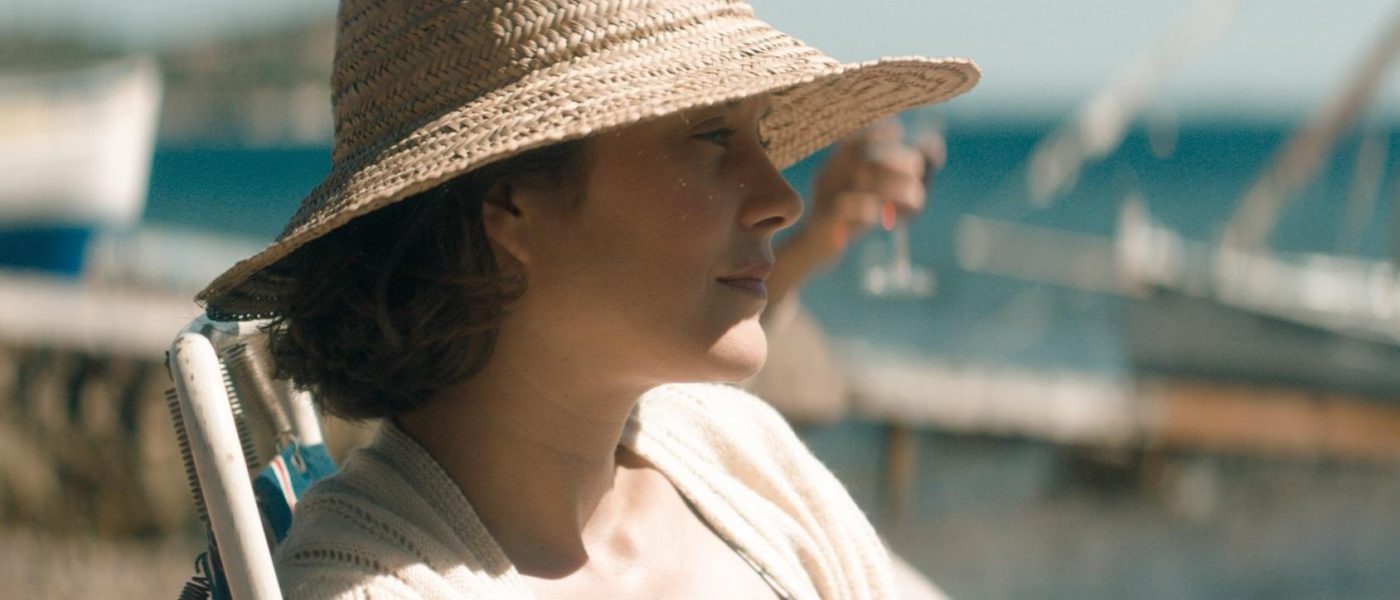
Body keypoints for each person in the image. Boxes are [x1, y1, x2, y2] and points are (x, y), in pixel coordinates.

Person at [196, 0, 978, 597]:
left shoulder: (735, 450)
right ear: (512, 206)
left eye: (763, 139)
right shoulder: (369, 588)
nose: (784, 199)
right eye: (713, 136)